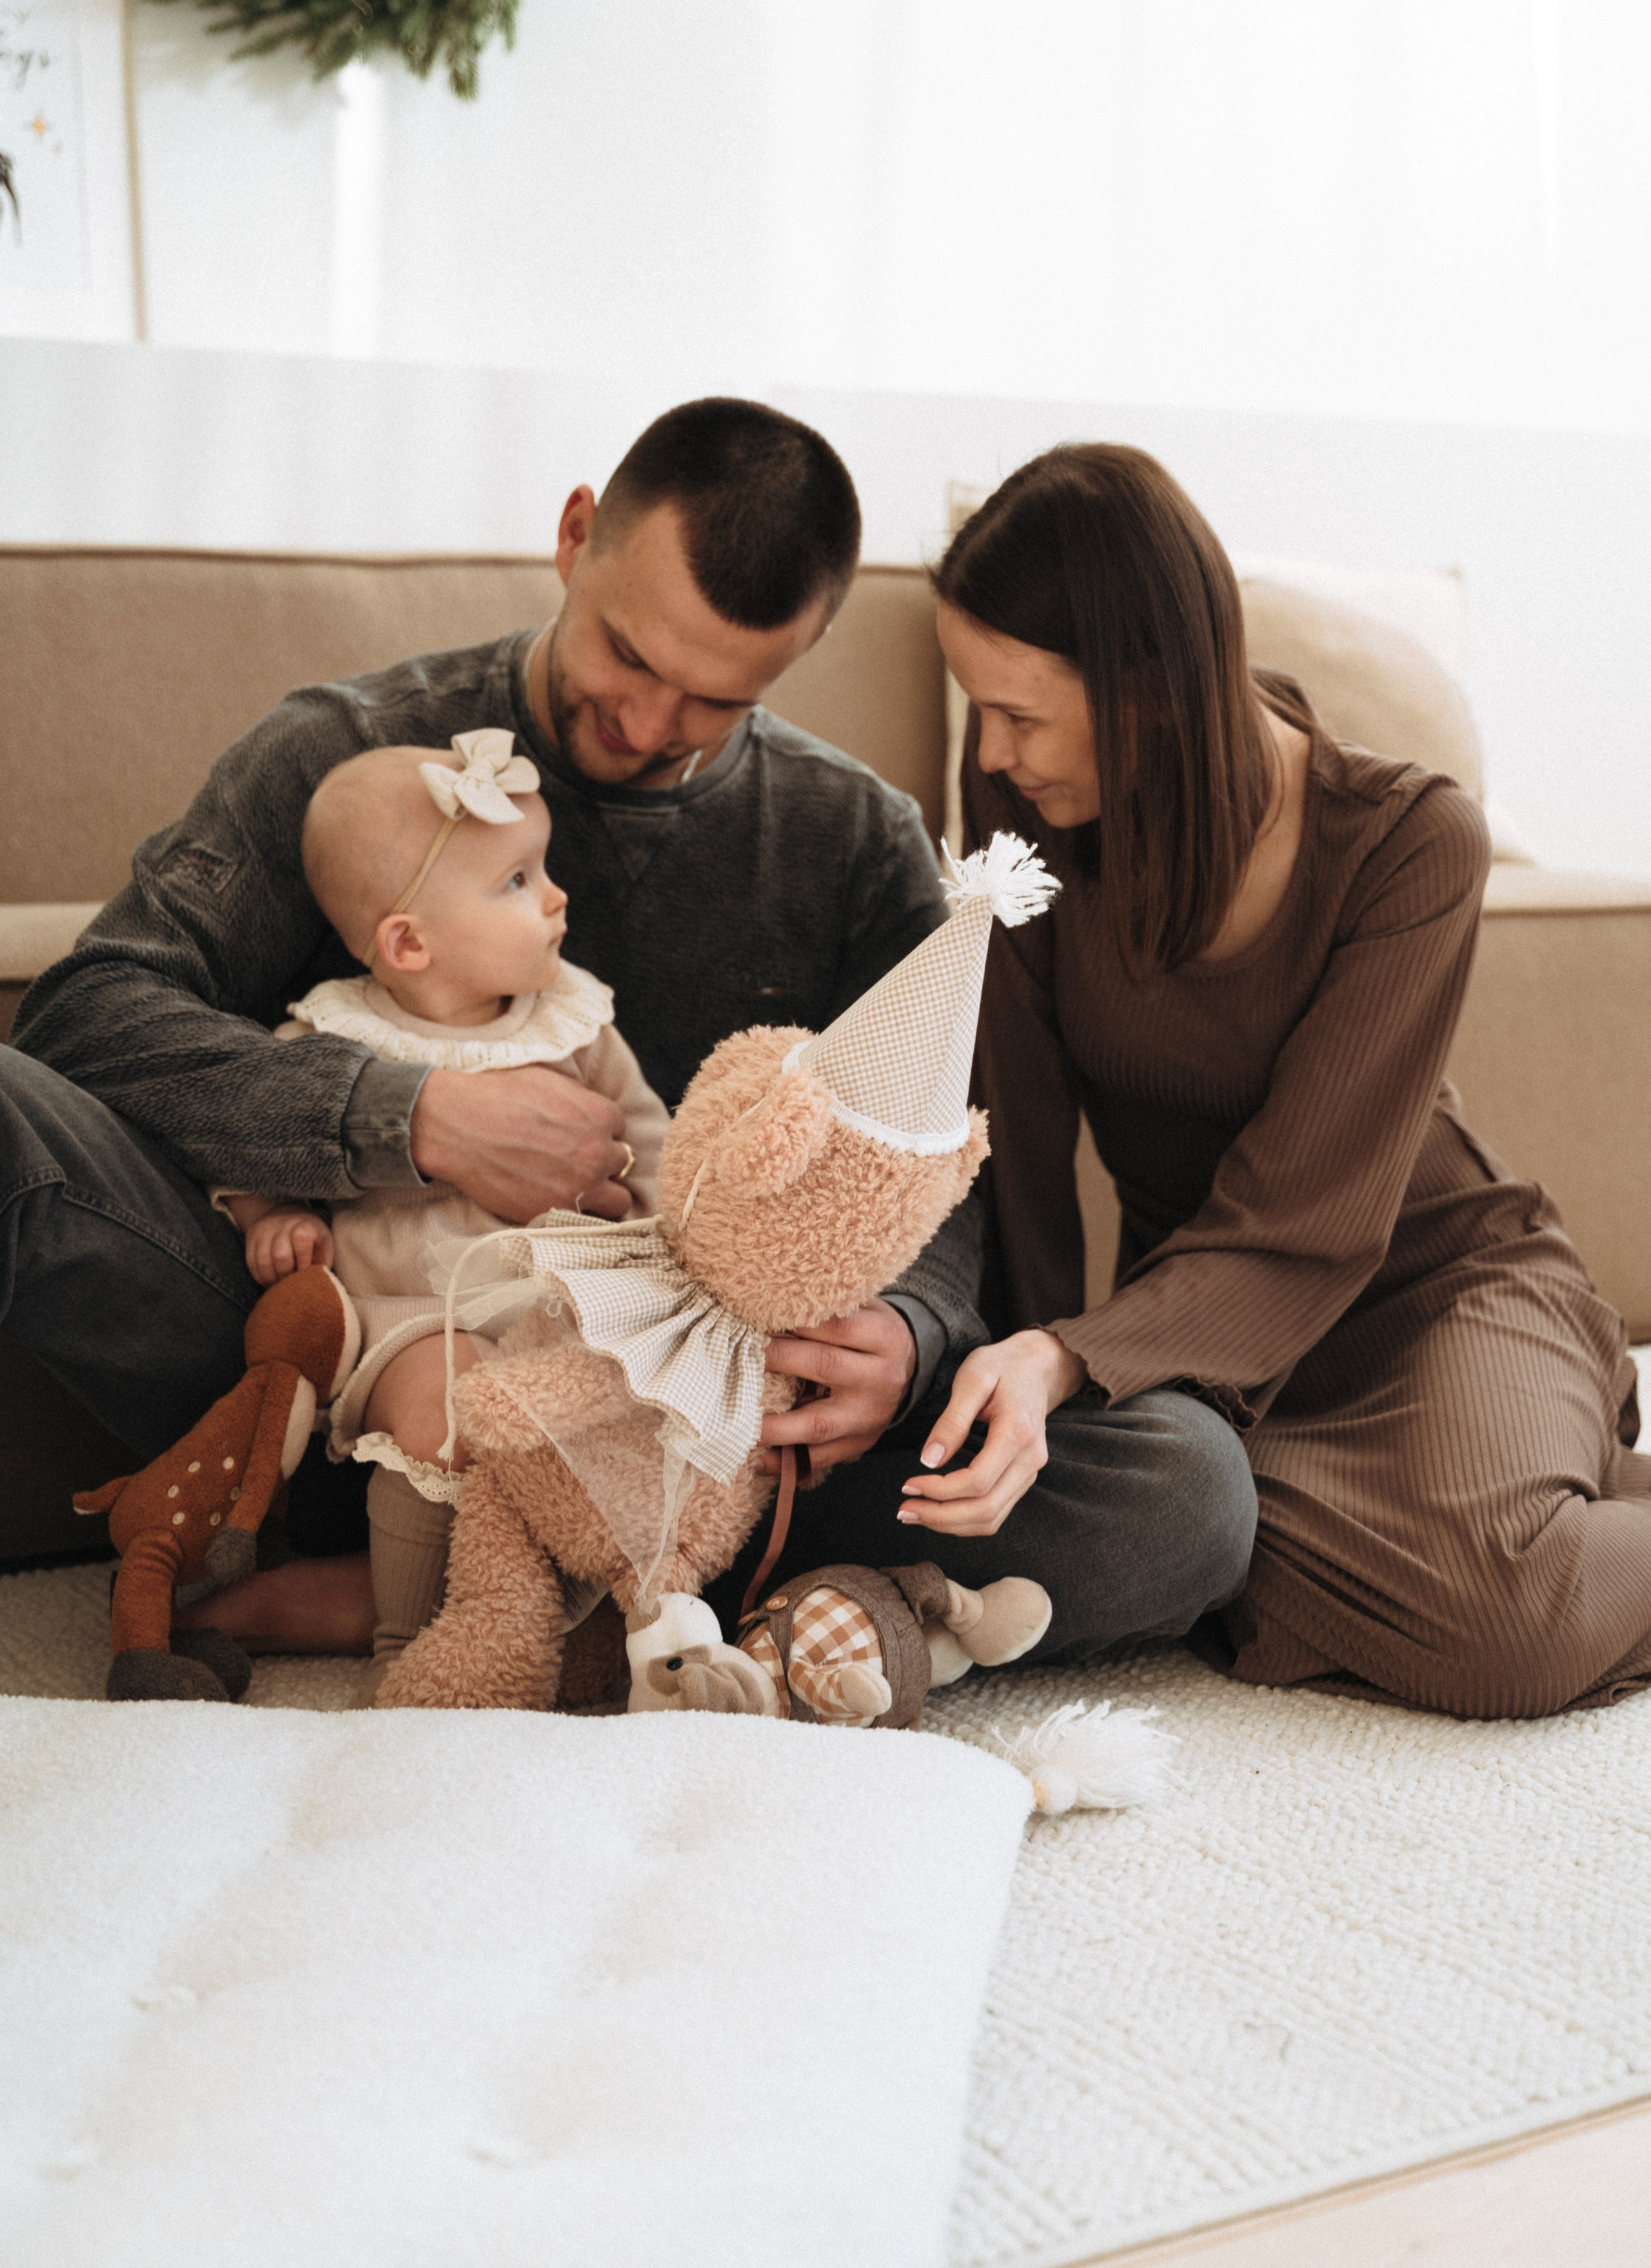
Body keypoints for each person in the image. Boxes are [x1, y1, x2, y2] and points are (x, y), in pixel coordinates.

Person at [5, 399, 973, 1649]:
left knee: (1175, 1501)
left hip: (658, 1419)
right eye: (626, 654)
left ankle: (577, 1575)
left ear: (800, 652)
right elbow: (87, 1018)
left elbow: (938, 1167)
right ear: (574, 536)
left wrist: (908, 1331)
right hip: (311, 1360)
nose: (643, 723)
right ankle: (494, 1575)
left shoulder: (852, 841)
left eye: (711, 702)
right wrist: (412, 1119)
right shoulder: (345, 755)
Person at [912, 440, 1646, 1721]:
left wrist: (1075, 1359)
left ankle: (1525, 1488)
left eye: (1019, 713)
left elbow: (1309, 1215)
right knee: (1178, 1536)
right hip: (1204, 1360)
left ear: (1148, 688)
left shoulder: (1406, 842)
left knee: (1497, 1624)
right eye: (978, 709)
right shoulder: (1024, 835)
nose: (991, 753)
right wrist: (1023, 1394)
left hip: (1429, 1289)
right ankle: (1529, 1497)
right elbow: (1013, 1162)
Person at [216, 730, 667, 1697]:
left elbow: (654, 1143)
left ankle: (564, 1614)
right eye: (516, 880)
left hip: (560, 1316)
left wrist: (659, 1229)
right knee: (450, 1413)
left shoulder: (577, 1026)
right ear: (409, 942)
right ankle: (404, 1650)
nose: (556, 896)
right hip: (413, 1321)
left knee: (622, 1414)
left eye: (542, 869)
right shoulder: (335, 1037)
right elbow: (250, 1138)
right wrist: (271, 1217)